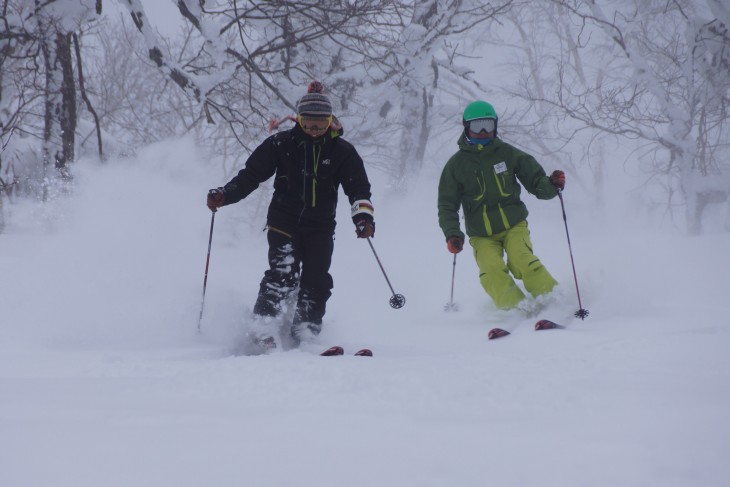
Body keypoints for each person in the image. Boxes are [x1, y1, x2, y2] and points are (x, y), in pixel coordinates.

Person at [206, 81, 375, 351]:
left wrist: (363, 218)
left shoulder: (343, 151)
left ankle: (306, 329)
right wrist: (224, 195)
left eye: (320, 123)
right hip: (283, 221)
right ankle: (262, 328)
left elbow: (358, 189)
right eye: (307, 122)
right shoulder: (280, 144)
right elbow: (251, 176)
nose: (313, 129)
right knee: (282, 271)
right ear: (299, 119)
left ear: (330, 120)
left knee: (317, 278)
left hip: (320, 226)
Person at [437, 100, 565, 311]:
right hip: (482, 234)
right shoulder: (456, 165)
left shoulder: (508, 154)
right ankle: (515, 310)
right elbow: (446, 204)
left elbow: (536, 183)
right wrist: (453, 233)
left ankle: (554, 302)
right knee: (490, 269)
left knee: (521, 259)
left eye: (488, 124)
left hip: (513, 226)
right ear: (467, 127)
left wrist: (551, 185)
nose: (484, 131)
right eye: (478, 126)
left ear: (495, 125)